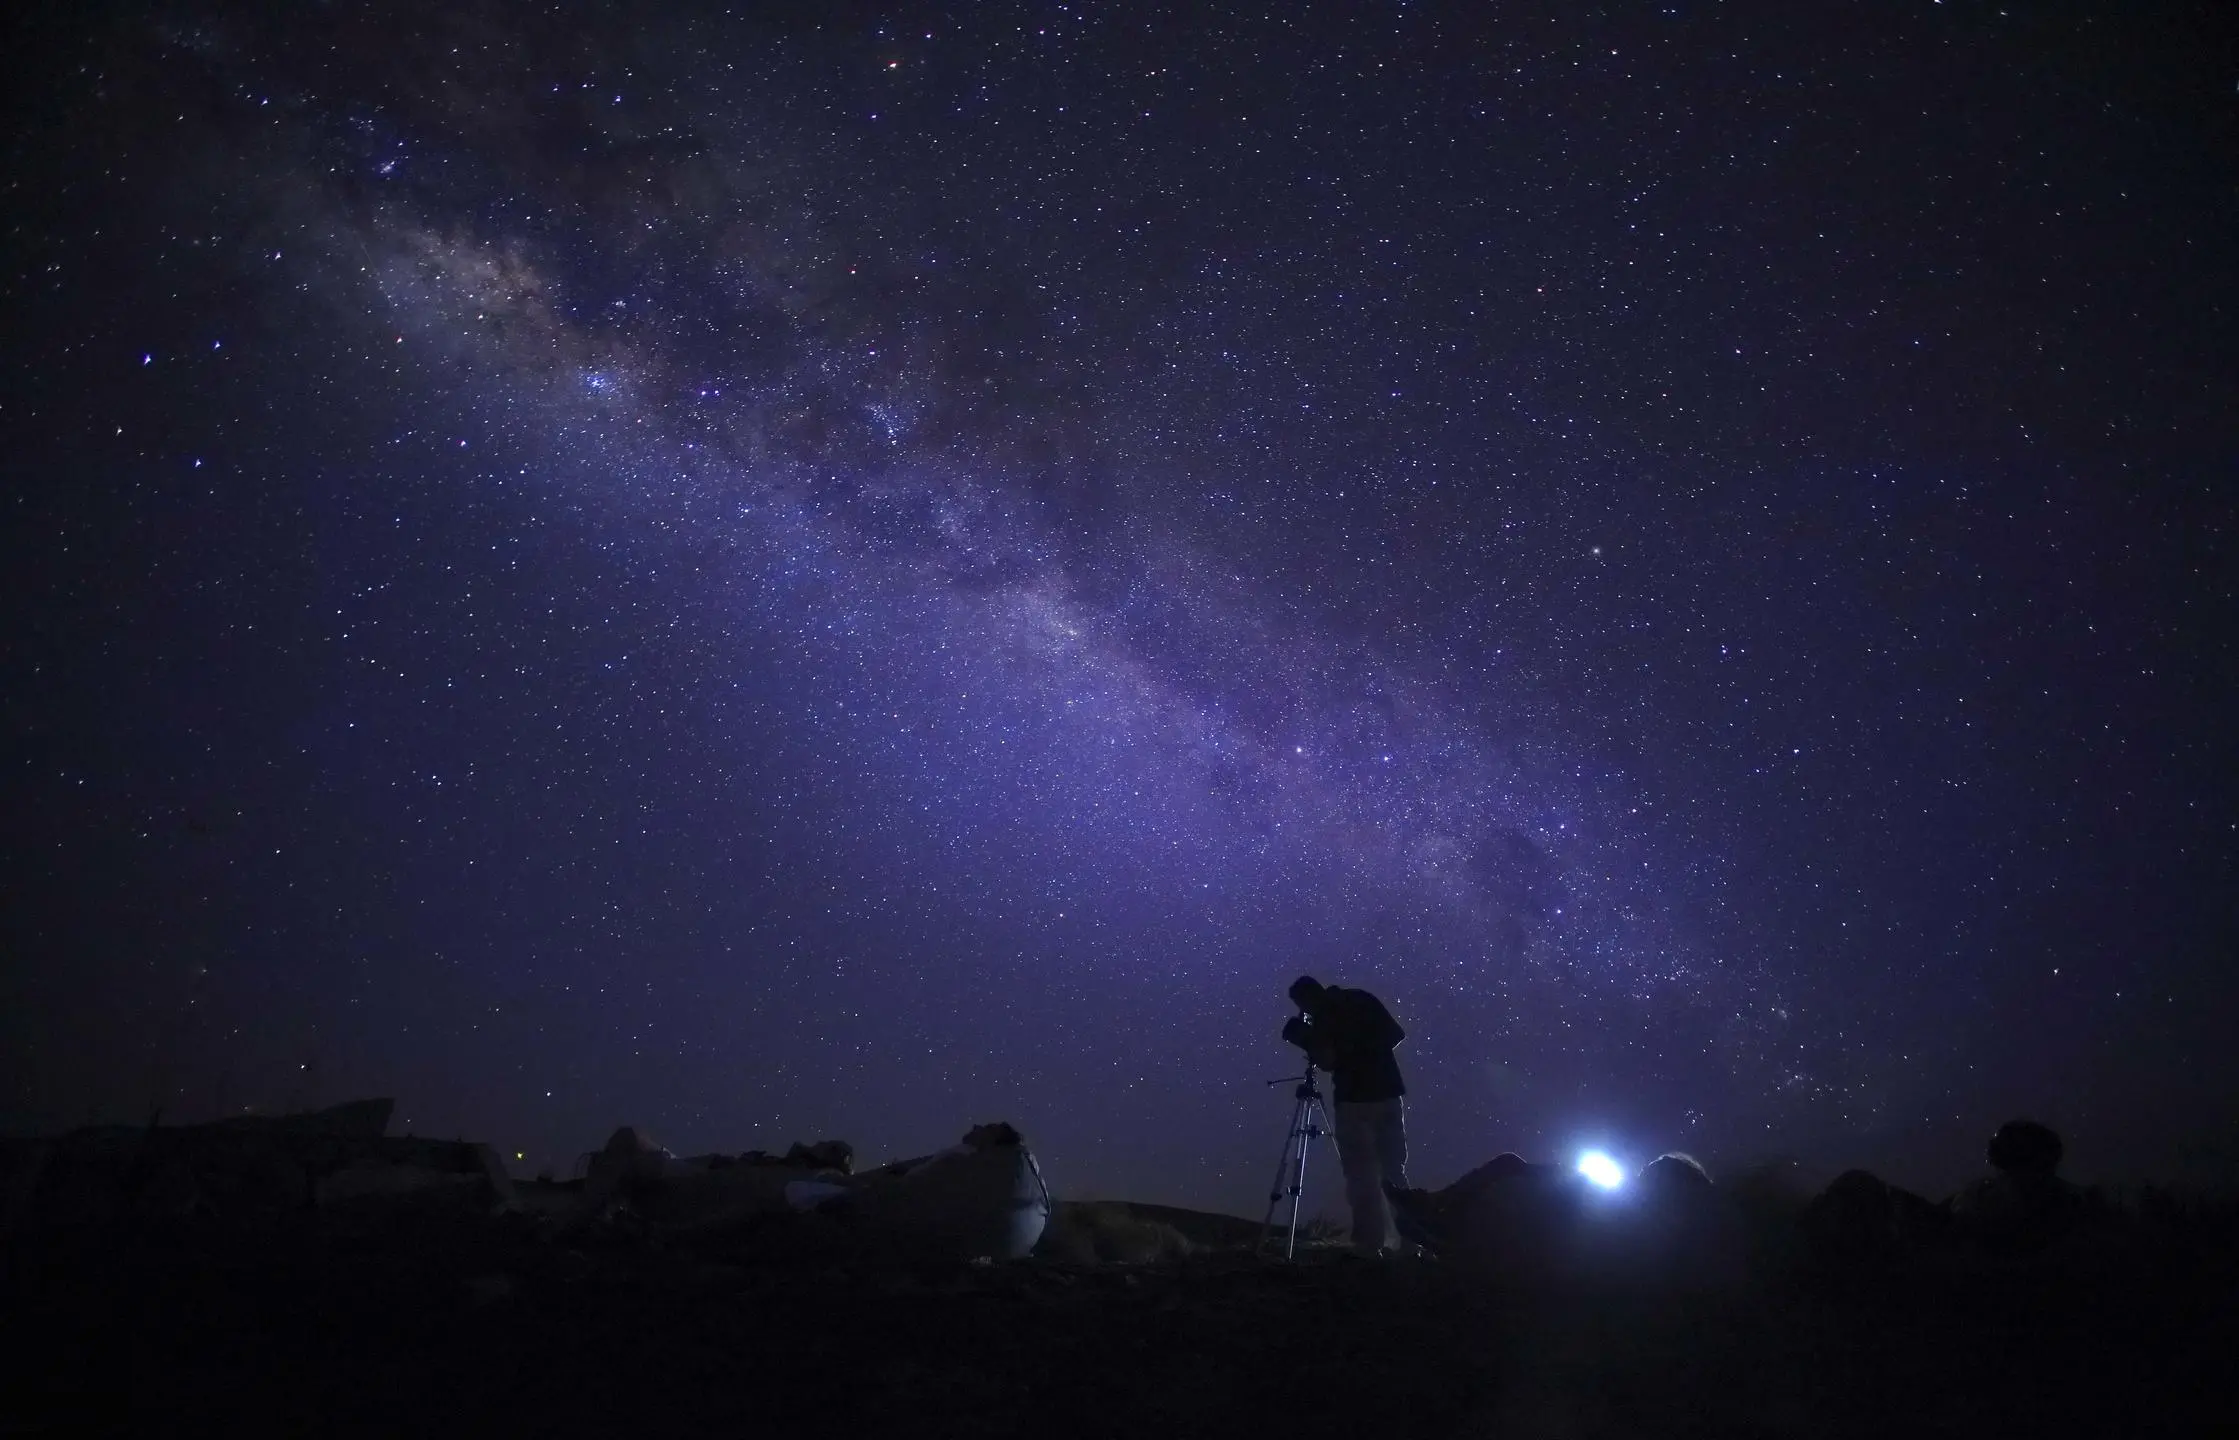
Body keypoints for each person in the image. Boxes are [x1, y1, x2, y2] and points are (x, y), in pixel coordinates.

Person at [1282, 974, 1410, 1254]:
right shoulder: (1361, 997)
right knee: (1393, 1171)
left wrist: (1307, 1040)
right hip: (1388, 1094)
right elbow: (1396, 1035)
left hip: (1354, 1101)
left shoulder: (1324, 1019)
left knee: (1360, 1174)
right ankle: (1409, 1241)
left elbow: (1329, 1061)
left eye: (1303, 1006)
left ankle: (1369, 1245)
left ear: (1307, 999)